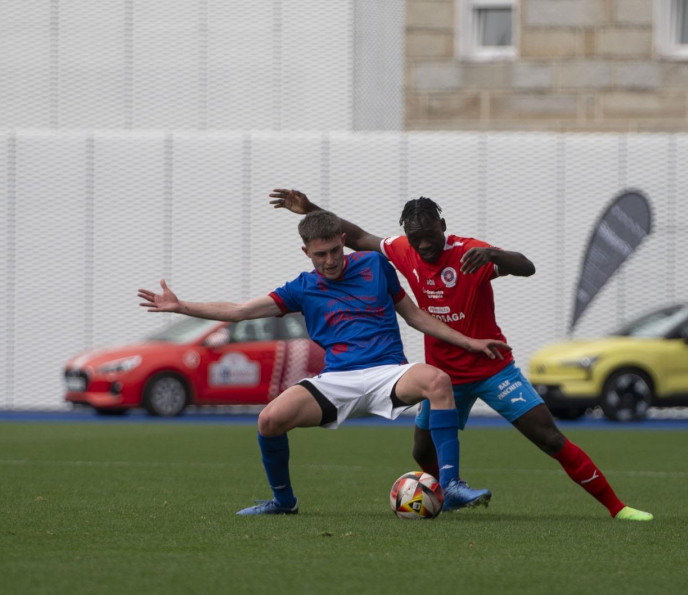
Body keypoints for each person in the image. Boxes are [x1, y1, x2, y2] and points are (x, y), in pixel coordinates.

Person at [269, 190, 653, 522]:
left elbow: (527, 267)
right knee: (421, 450)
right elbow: (355, 236)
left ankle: (618, 507)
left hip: (492, 370)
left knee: (549, 437)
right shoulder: (402, 252)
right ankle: (447, 497)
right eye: (414, 237)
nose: (423, 245)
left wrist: (493, 255)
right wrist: (309, 209)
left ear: (443, 225)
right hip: (443, 377)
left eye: (430, 235)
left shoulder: (469, 253)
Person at [137, 210, 506, 515]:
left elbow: (415, 316)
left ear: (342, 241)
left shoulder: (376, 266)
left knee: (438, 381)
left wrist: (469, 342)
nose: (330, 261)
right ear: (306, 252)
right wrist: (181, 306)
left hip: (387, 373)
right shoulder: (301, 287)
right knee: (269, 420)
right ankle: (283, 502)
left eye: (334, 250)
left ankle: (452, 485)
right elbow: (239, 311)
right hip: (336, 380)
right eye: (320, 255)